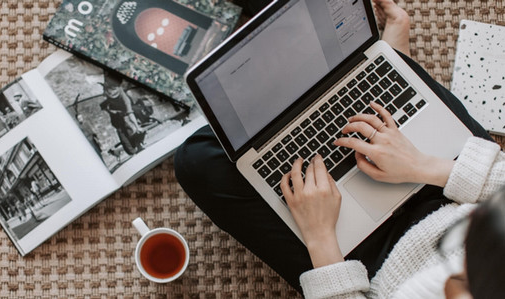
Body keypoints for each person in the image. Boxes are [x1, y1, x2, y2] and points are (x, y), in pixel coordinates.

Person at [173, 0, 505, 297]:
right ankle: (379, 61)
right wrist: (420, 164)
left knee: (199, 159)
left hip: (368, 268)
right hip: (458, 192)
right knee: (380, 69)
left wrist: (320, 239)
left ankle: (379, 60)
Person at [99, 73, 146, 155]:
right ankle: (133, 148)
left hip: (125, 114)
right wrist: (110, 111)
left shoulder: (125, 99)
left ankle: (137, 144)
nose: (110, 94)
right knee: (122, 132)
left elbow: (130, 114)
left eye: (113, 93)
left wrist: (137, 126)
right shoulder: (108, 87)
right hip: (116, 115)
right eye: (108, 92)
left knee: (130, 129)